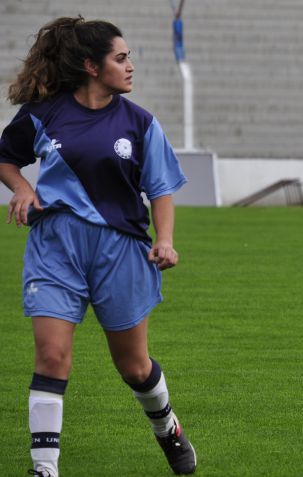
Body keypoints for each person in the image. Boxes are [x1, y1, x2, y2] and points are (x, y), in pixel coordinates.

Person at [0, 17, 196, 476]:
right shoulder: (43, 114)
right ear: (91, 65)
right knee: (51, 356)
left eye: (129, 58)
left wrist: (164, 240)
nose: (130, 67)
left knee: (133, 366)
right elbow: (6, 157)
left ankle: (167, 427)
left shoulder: (141, 123)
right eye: (121, 58)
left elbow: (161, 189)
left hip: (121, 252)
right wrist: (22, 189)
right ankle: (44, 468)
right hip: (55, 246)